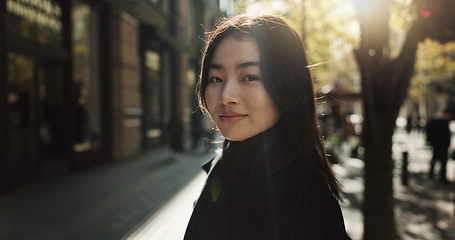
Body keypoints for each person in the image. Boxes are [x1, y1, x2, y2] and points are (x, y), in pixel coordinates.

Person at [184, 14, 349, 239]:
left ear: (287, 88)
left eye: (249, 77)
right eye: (216, 79)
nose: (226, 96)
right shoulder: (222, 165)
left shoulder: (308, 200)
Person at [426, 109, 451, 183]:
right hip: (440, 145)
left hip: (439, 145)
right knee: (441, 161)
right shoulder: (441, 122)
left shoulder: (439, 121)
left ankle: (433, 175)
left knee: (437, 160)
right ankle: (441, 177)